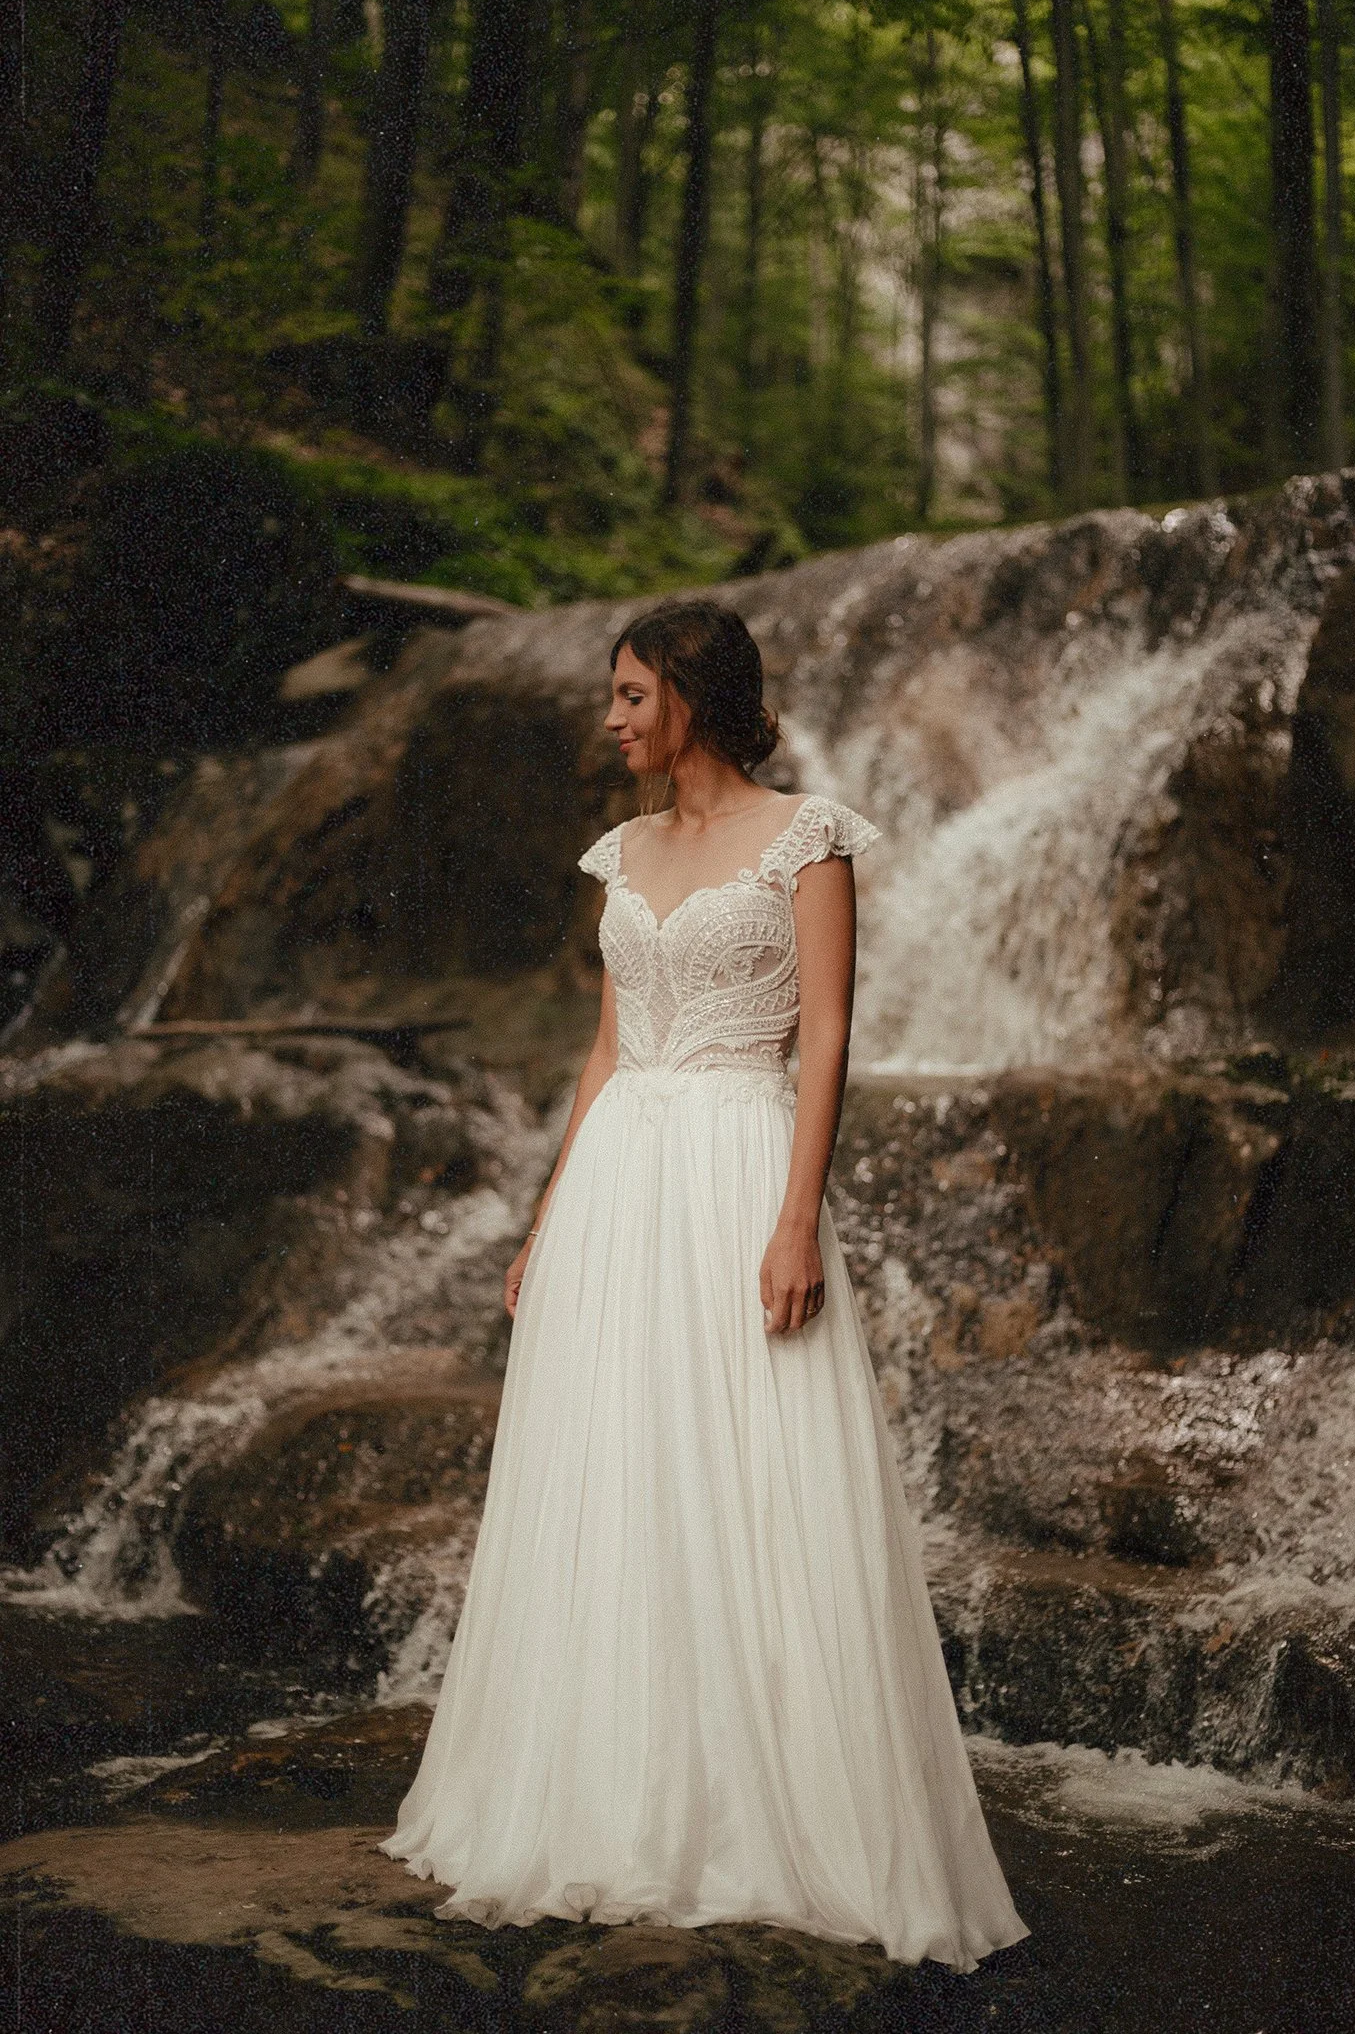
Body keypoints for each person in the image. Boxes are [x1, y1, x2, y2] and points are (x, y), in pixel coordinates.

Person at [380, 599, 1027, 1969]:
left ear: (689, 694)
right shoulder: (621, 851)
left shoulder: (810, 839)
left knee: (757, 1468)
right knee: (609, 1473)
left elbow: (832, 1034)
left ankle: (778, 1804)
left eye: (628, 695)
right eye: (611, 696)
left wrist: (797, 1218)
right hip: (621, 1178)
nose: (610, 719)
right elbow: (607, 1049)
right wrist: (547, 1216)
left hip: (740, 1161)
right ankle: (609, 1791)